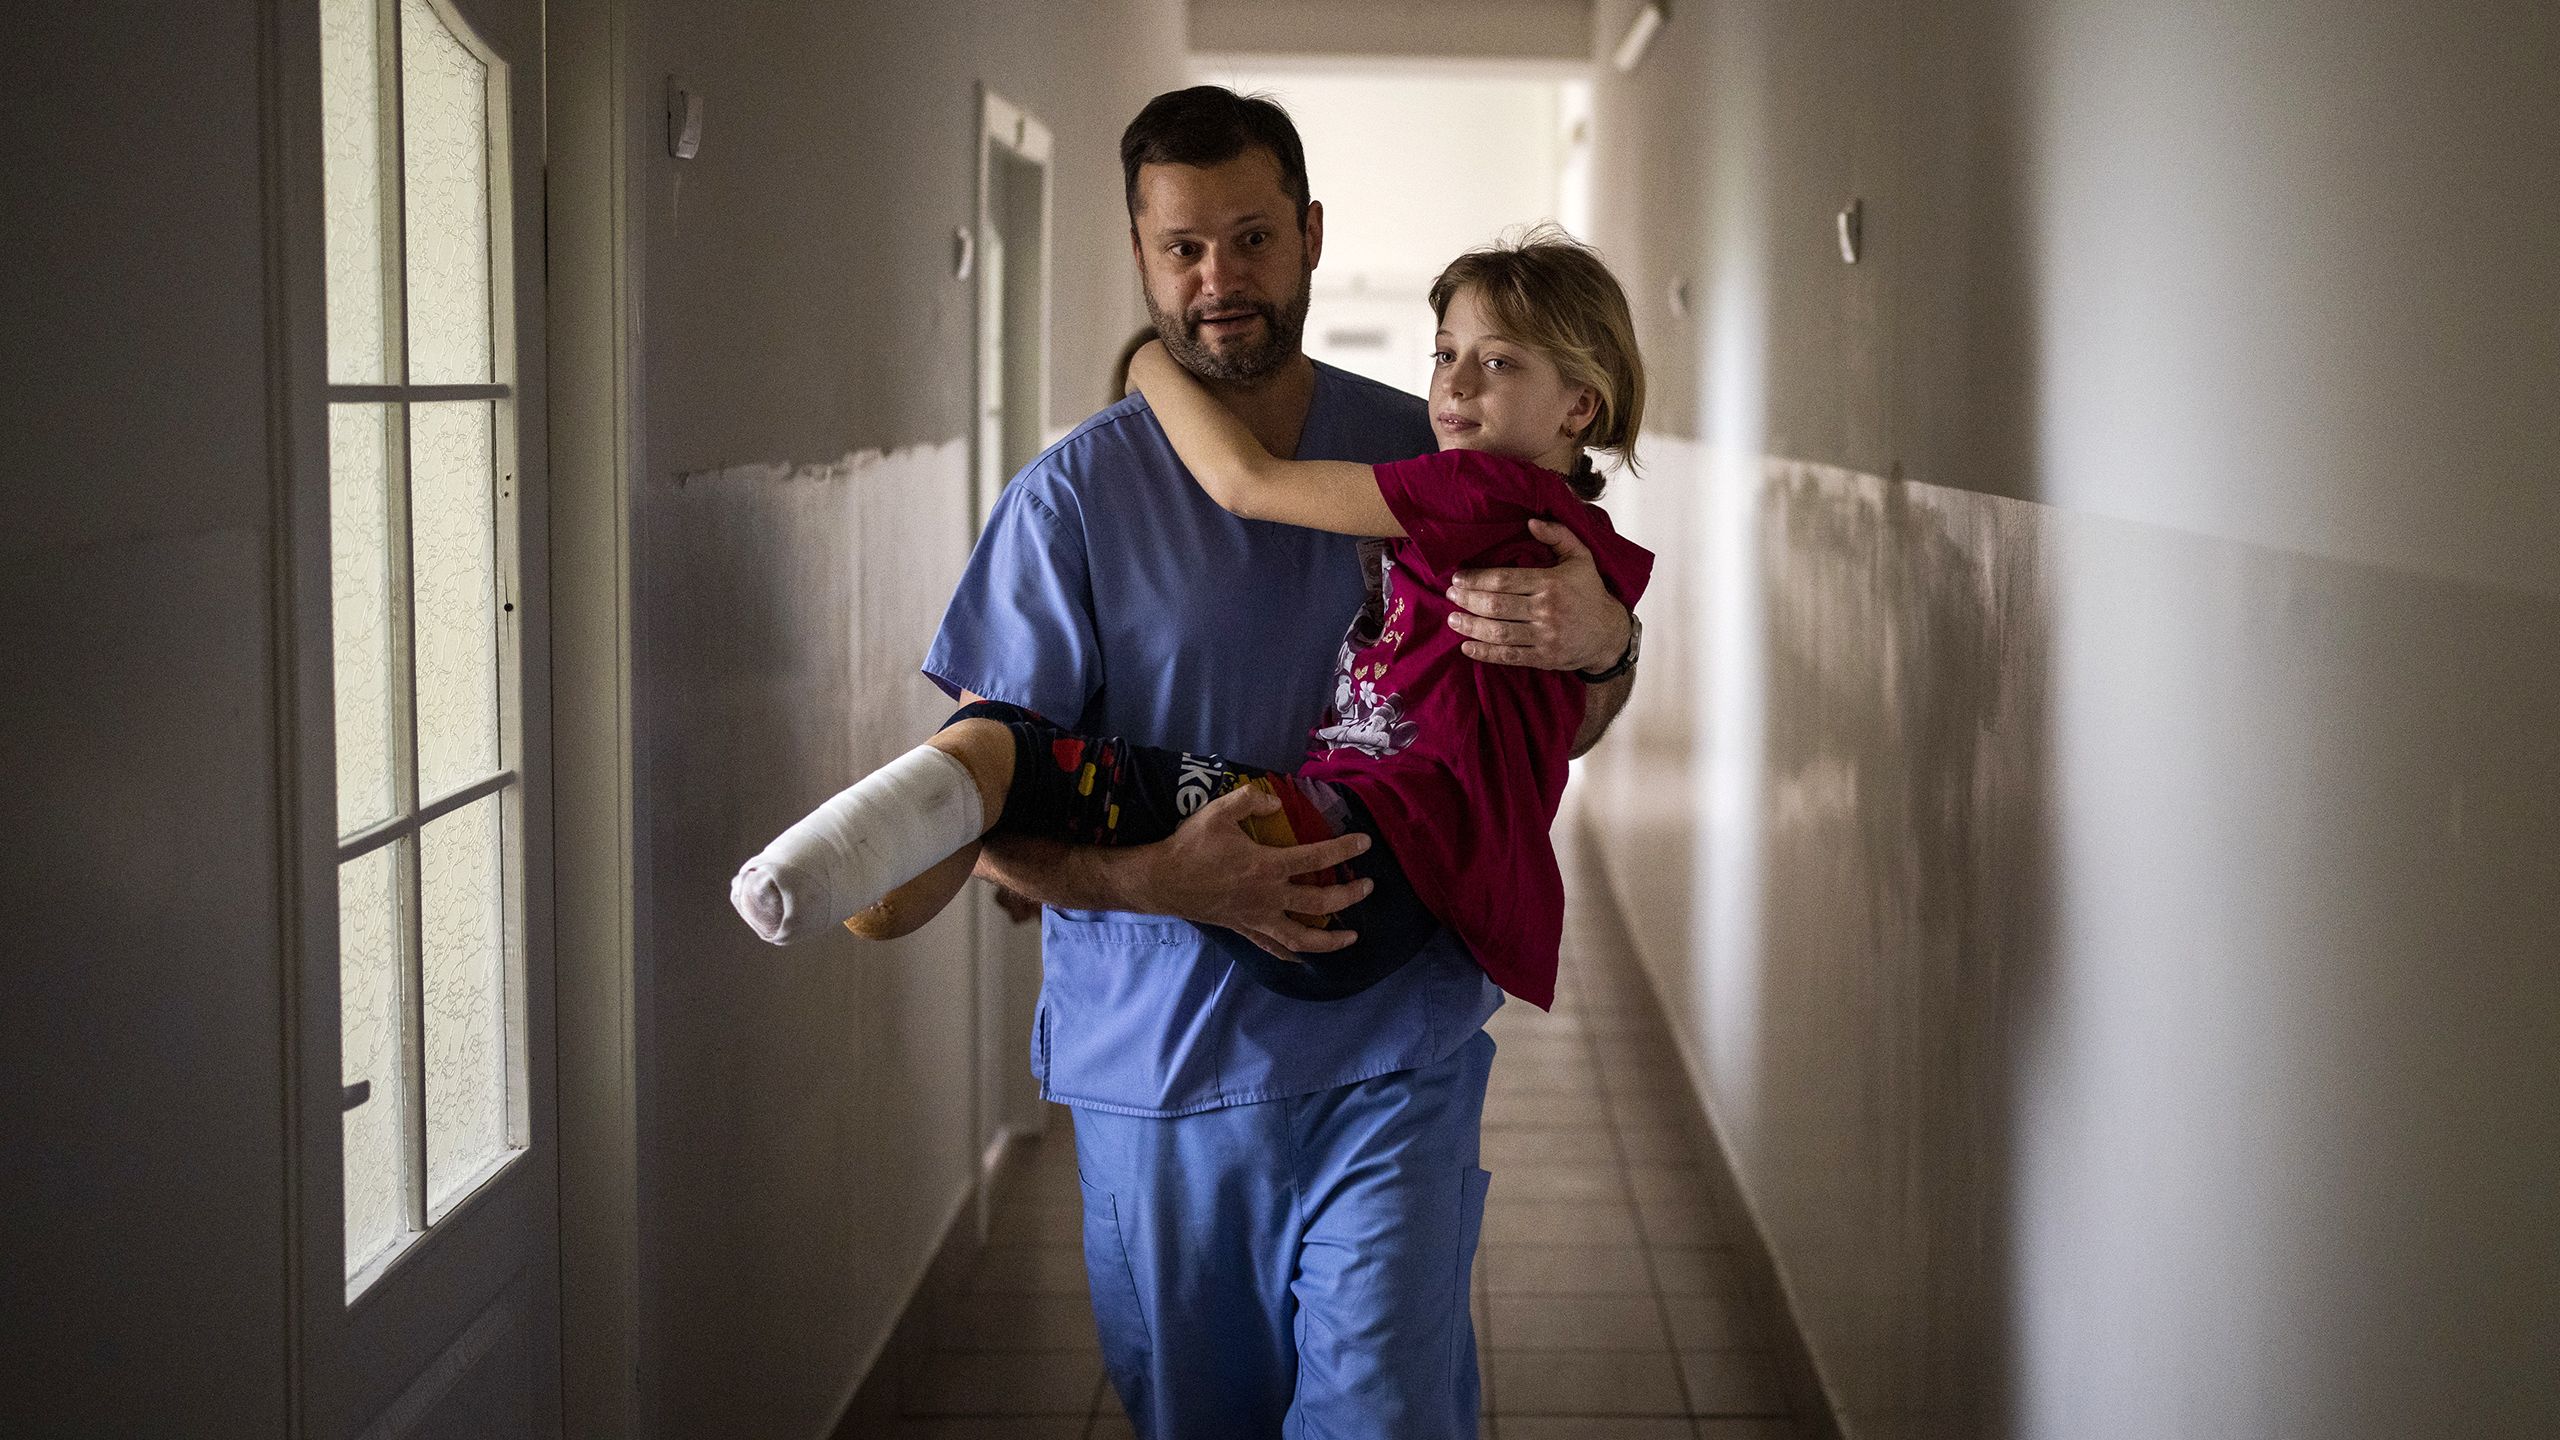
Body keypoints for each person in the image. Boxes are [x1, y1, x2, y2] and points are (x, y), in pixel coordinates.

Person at [831, 87, 1636, 1438]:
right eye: (1183, 250)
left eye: (1253, 239)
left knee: (1380, 1414)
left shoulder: (1431, 447)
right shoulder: (1072, 502)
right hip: (1166, 1074)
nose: (1220, 282)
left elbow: (1559, 722)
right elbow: (999, 820)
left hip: (1398, 1048)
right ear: (1140, 257)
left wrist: (1603, 646)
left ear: (1311, 234)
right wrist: (1171, 883)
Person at [731, 230, 1654, 1024]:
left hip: (1352, 853)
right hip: (1400, 906)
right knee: (1040, 780)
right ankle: (917, 840)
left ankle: (869, 852)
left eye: (1496, 362)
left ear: (1581, 405)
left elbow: (1245, 483)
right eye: (1443, 352)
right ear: (1144, 252)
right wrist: (1616, 633)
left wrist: (1143, 363)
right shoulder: (1587, 539)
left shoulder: (1470, 485)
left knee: (1023, 759)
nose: (1452, 386)